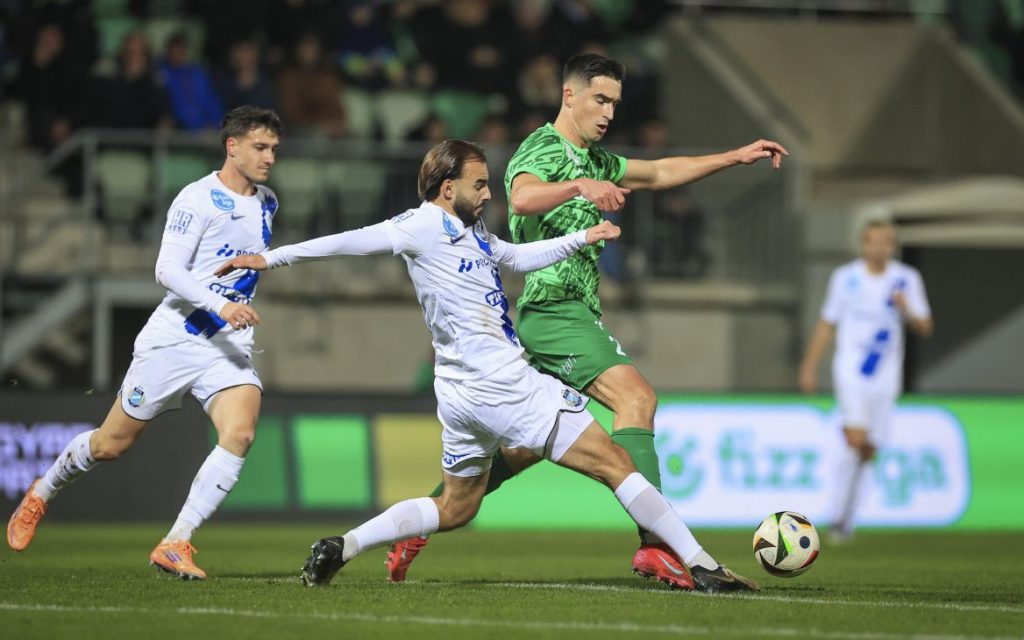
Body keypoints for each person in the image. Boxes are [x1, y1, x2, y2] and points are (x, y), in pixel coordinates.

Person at [216, 139, 758, 593]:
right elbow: (348, 243)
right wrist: (271, 257)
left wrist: (582, 238)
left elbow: (517, 257)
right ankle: (703, 566)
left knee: (456, 507)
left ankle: (344, 545)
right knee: (617, 460)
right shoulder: (420, 225)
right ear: (447, 187)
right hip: (502, 381)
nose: (488, 192)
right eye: (480, 184)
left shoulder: (473, 232)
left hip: (458, 393)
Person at [387, 52, 788, 587]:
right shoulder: (543, 148)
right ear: (569, 95)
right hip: (553, 310)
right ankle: (660, 547)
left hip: (565, 314)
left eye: (615, 104)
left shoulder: (597, 159)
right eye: (600, 99)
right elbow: (523, 198)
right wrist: (580, 188)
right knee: (636, 399)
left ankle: (428, 518)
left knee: (528, 447)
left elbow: (662, 170)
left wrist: (735, 157)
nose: (608, 113)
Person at [6, 106, 283, 580]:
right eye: (260, 147)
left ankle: (176, 542)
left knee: (240, 433)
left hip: (226, 346)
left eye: (275, 149)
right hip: (173, 341)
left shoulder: (268, 201)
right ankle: (42, 491)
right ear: (231, 146)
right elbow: (166, 270)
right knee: (110, 444)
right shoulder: (195, 199)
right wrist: (222, 306)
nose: (270, 157)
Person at [799, 219, 933, 542]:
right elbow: (827, 322)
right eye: (872, 241)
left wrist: (908, 310)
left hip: (886, 375)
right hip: (851, 371)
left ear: (893, 245)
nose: (878, 247)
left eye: (885, 241)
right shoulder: (846, 278)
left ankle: (846, 518)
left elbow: (925, 326)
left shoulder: (906, 279)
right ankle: (835, 515)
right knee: (855, 439)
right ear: (863, 244)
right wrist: (809, 364)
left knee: (869, 449)